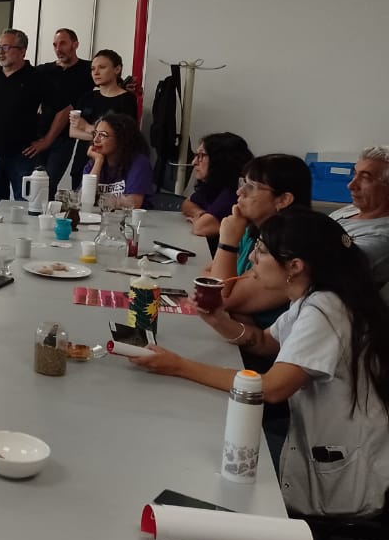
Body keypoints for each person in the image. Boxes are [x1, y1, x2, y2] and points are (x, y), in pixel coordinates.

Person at [132, 210, 389, 518]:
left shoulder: (324, 311)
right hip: (313, 435)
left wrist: (179, 366)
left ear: (294, 266)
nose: (252, 257)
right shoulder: (312, 298)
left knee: (194, 456)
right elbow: (266, 341)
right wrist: (219, 321)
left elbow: (271, 388)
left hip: (337, 470)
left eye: (262, 251)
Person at [208, 154, 312, 331]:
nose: (239, 192)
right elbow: (208, 277)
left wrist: (227, 241)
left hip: (266, 345)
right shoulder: (250, 230)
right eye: (243, 183)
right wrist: (237, 310)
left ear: (283, 199)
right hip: (241, 333)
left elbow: (216, 296)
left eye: (251, 187)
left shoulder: (289, 246)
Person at [0, 28, 65, 211]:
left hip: (22, 156)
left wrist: (46, 141)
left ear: (22, 51)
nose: (1, 52)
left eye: (6, 47)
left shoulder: (36, 78)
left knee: (25, 204)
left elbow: (64, 109)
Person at [66, 48, 137, 190]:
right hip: (83, 160)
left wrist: (87, 127)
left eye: (102, 67)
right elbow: (73, 132)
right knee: (79, 199)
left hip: (111, 165)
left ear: (117, 69)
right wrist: (103, 136)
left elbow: (123, 136)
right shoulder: (87, 97)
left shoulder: (127, 99)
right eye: (93, 69)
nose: (96, 72)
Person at [36, 28, 95, 192]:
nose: (58, 49)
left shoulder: (89, 69)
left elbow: (110, 84)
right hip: (39, 134)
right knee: (35, 183)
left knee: (49, 185)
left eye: (62, 43)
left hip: (66, 136)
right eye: (55, 45)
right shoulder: (43, 71)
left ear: (75, 44)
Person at [180, 132, 253, 256]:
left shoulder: (234, 191)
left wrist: (201, 219)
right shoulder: (214, 184)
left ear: (221, 159)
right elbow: (187, 204)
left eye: (201, 156)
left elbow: (201, 228)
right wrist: (200, 213)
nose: (194, 162)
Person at [332, 146, 389, 291]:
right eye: (355, 174)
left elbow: (328, 269)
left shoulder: (381, 236)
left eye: (365, 178)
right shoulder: (352, 209)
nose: (351, 185)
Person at [83, 112, 153, 209]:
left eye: (103, 135)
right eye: (95, 134)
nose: (95, 140)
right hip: (100, 216)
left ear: (120, 139)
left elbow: (133, 203)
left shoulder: (139, 163)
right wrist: (98, 161)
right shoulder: (95, 162)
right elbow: (83, 198)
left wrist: (96, 199)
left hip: (131, 218)